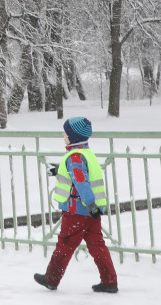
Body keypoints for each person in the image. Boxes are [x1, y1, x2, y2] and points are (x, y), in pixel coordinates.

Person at [34, 116, 118, 293]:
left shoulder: (76, 156)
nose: (63, 135)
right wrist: (60, 170)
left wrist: (89, 204)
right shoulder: (85, 153)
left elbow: (81, 181)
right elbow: (78, 173)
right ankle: (109, 280)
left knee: (65, 243)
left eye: (65, 132)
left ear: (73, 136)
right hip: (90, 212)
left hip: (78, 210)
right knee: (97, 245)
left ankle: (51, 278)